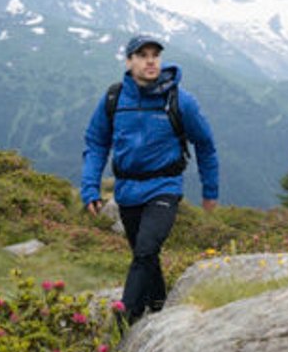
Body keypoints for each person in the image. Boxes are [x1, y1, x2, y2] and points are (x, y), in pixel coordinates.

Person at [80, 34, 220, 326]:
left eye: (155, 54)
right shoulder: (114, 99)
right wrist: (90, 187)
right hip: (127, 191)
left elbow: (205, 144)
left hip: (164, 187)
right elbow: (96, 143)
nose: (150, 60)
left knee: (145, 249)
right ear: (129, 61)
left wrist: (210, 191)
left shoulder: (180, 100)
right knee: (146, 256)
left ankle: (124, 320)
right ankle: (159, 308)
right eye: (142, 55)